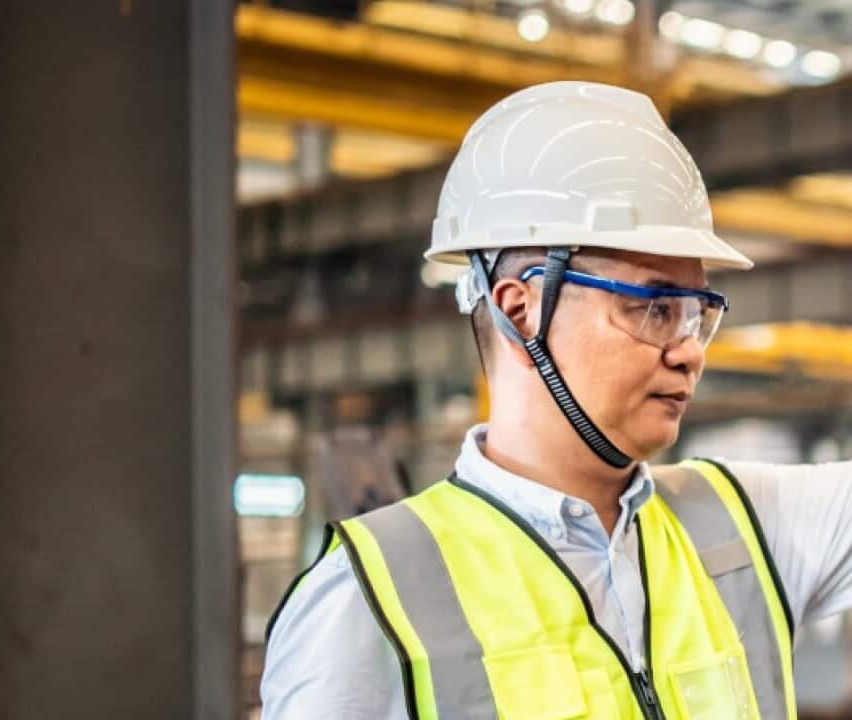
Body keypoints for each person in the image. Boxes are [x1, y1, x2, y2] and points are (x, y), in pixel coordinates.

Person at [260, 81, 852, 719]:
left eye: (697, 312)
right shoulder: (368, 599)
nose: (690, 350)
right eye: (653, 309)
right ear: (523, 308)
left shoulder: (744, 525)